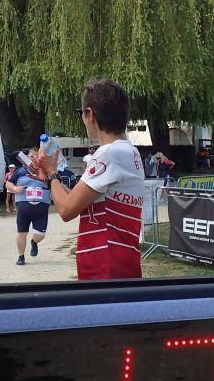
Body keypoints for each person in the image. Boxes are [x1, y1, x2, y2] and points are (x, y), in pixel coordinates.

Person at [39, 78, 144, 280]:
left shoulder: (108, 154)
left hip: (105, 264)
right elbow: (79, 201)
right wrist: (50, 177)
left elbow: (66, 210)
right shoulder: (129, 151)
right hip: (121, 260)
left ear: (90, 114)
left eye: (81, 113)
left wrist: (51, 173)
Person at [5, 150, 50, 265]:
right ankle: (21, 257)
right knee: (21, 232)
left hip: (41, 207)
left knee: (40, 235)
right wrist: (15, 189)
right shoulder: (20, 170)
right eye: (30, 156)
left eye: (35, 156)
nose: (32, 158)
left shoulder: (45, 170)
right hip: (24, 206)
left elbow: (54, 183)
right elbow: (8, 184)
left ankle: (34, 242)